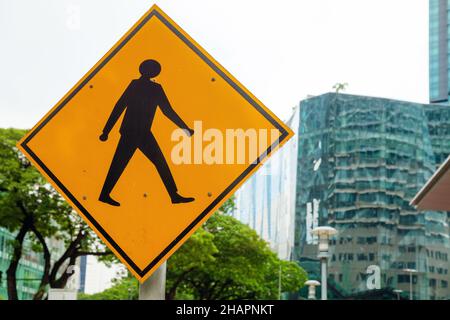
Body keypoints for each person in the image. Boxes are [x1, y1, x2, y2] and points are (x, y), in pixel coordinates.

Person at [98, 59, 194, 207]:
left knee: (157, 162)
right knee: (120, 163)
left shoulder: (150, 87)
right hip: (132, 132)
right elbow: (120, 106)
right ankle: (104, 195)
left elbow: (166, 110)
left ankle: (174, 195)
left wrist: (184, 128)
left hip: (142, 133)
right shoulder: (144, 86)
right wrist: (106, 130)